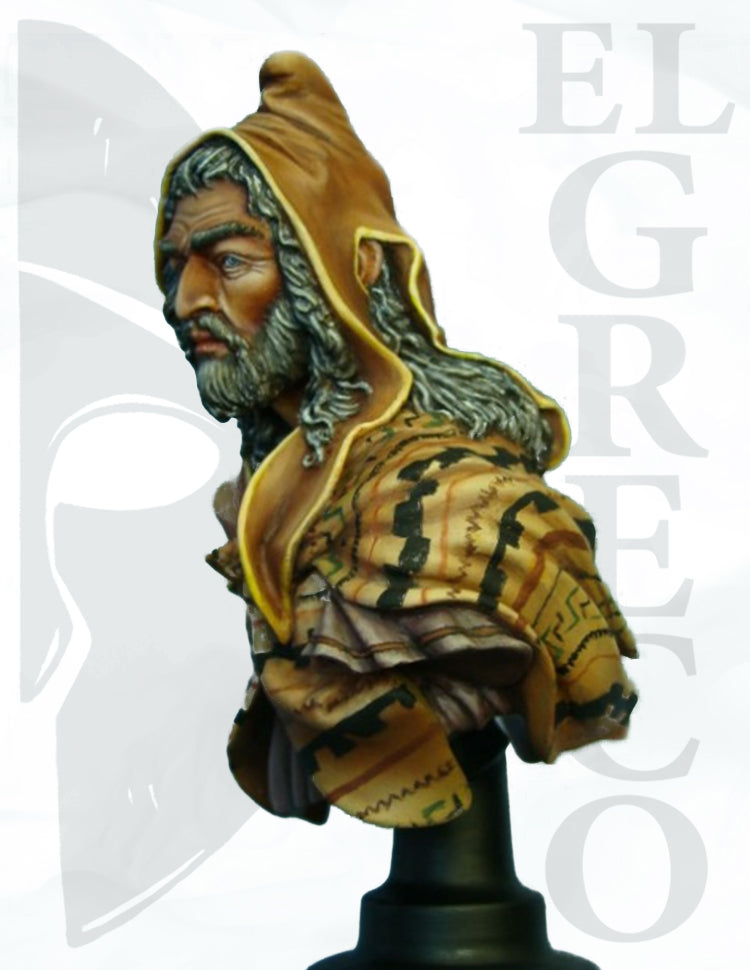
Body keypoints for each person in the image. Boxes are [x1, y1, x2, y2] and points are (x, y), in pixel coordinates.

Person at [154, 51, 637, 829]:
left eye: (229, 261)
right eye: (175, 268)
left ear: (350, 268)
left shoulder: (472, 503)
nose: (185, 302)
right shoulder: (262, 502)